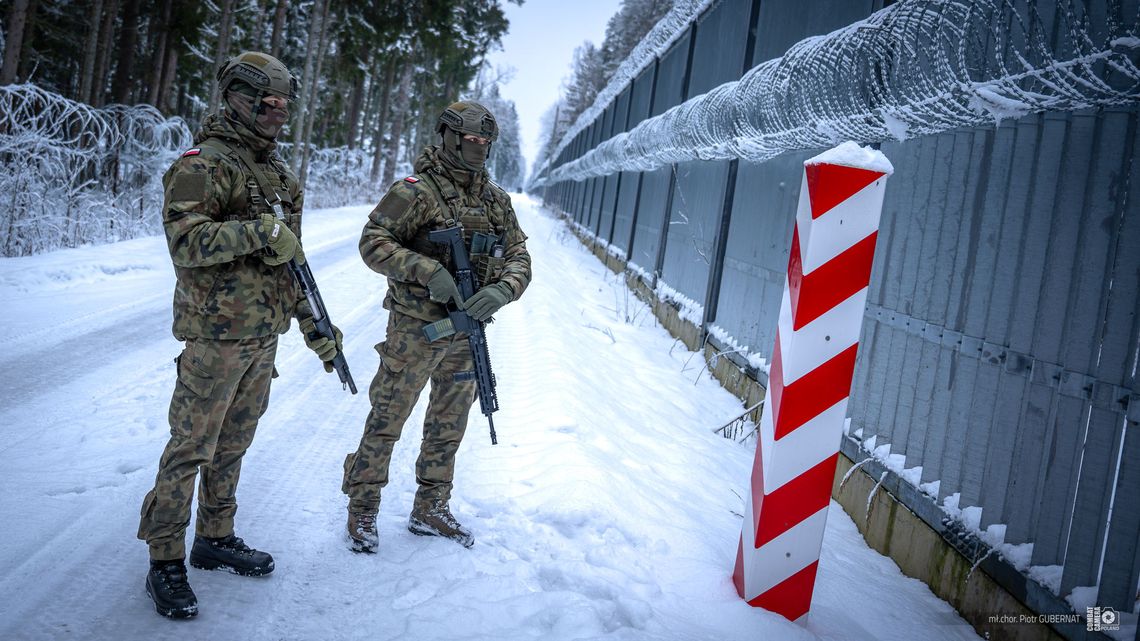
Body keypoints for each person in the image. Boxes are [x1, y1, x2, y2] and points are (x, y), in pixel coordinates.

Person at [137, 51, 344, 619]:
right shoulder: (203, 165)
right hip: (214, 337)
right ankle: (163, 559)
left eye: (283, 104)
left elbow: (291, 262)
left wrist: (315, 327)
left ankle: (214, 536)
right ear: (235, 96)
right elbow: (186, 242)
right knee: (189, 449)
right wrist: (260, 230)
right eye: (266, 102)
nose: (277, 113)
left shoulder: (280, 175)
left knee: (233, 445)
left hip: (262, 337)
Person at [341, 101, 531, 553]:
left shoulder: (495, 199)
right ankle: (363, 506)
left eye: (485, 142)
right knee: (388, 416)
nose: (478, 149)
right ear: (447, 136)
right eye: (469, 140)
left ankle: (431, 507)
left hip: (467, 330)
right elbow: (373, 242)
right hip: (415, 328)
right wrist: (425, 270)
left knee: (449, 422)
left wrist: (504, 289)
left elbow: (520, 255)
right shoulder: (416, 191)